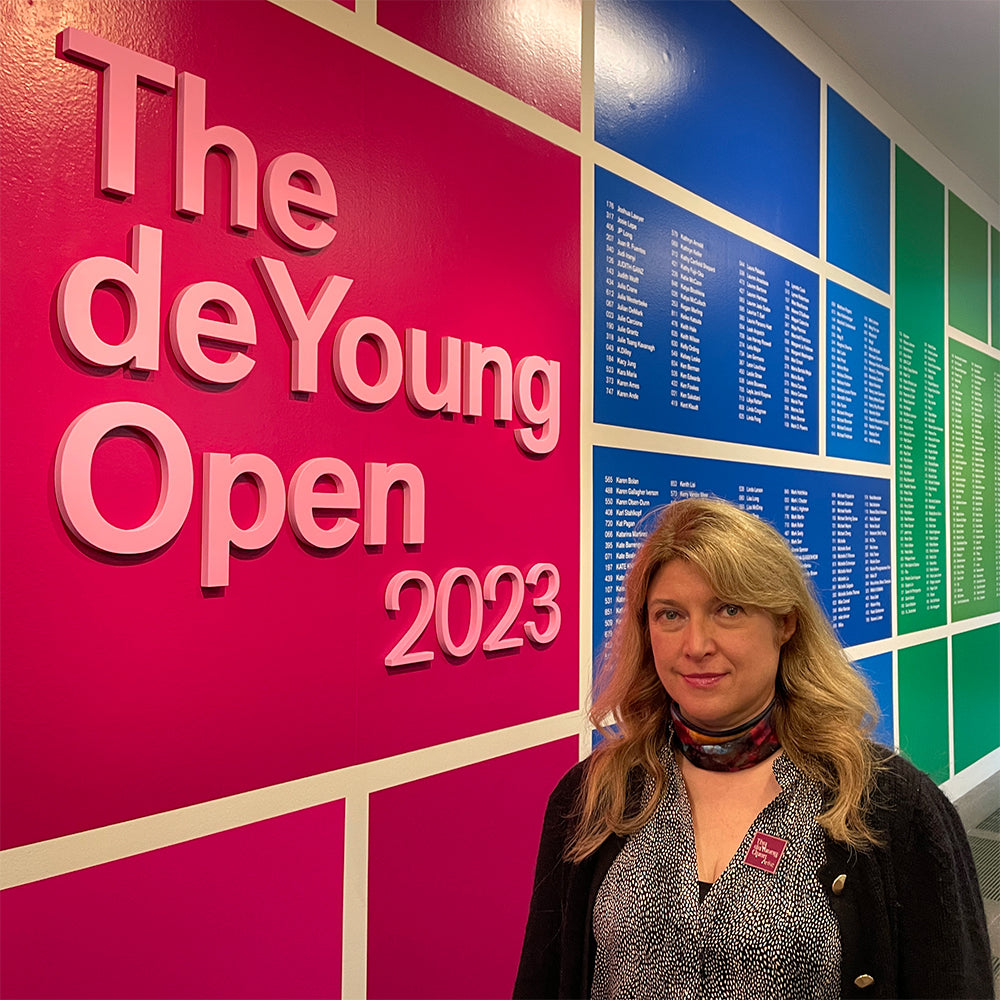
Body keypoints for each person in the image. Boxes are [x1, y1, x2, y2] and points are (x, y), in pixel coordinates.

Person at [514, 497, 993, 999]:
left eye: (729, 609)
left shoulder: (889, 804)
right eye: (671, 615)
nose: (696, 645)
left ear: (785, 622)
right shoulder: (592, 797)